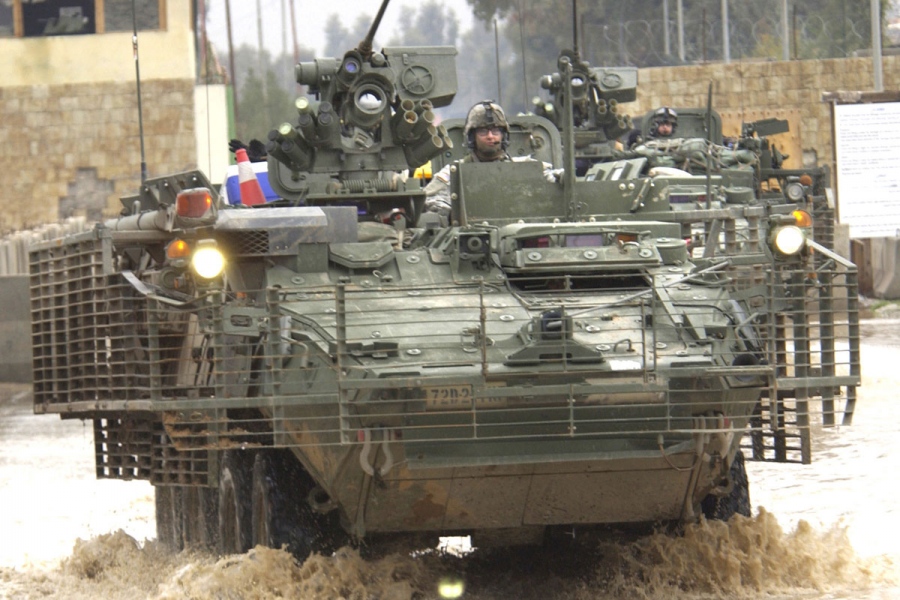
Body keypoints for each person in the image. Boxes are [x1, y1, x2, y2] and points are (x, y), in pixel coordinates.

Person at [424, 100, 558, 218]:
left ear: (503, 136)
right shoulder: (455, 171)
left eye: (496, 131)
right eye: (483, 131)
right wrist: (447, 209)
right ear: (472, 137)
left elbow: (553, 180)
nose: (490, 136)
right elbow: (429, 199)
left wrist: (561, 177)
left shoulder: (525, 168)